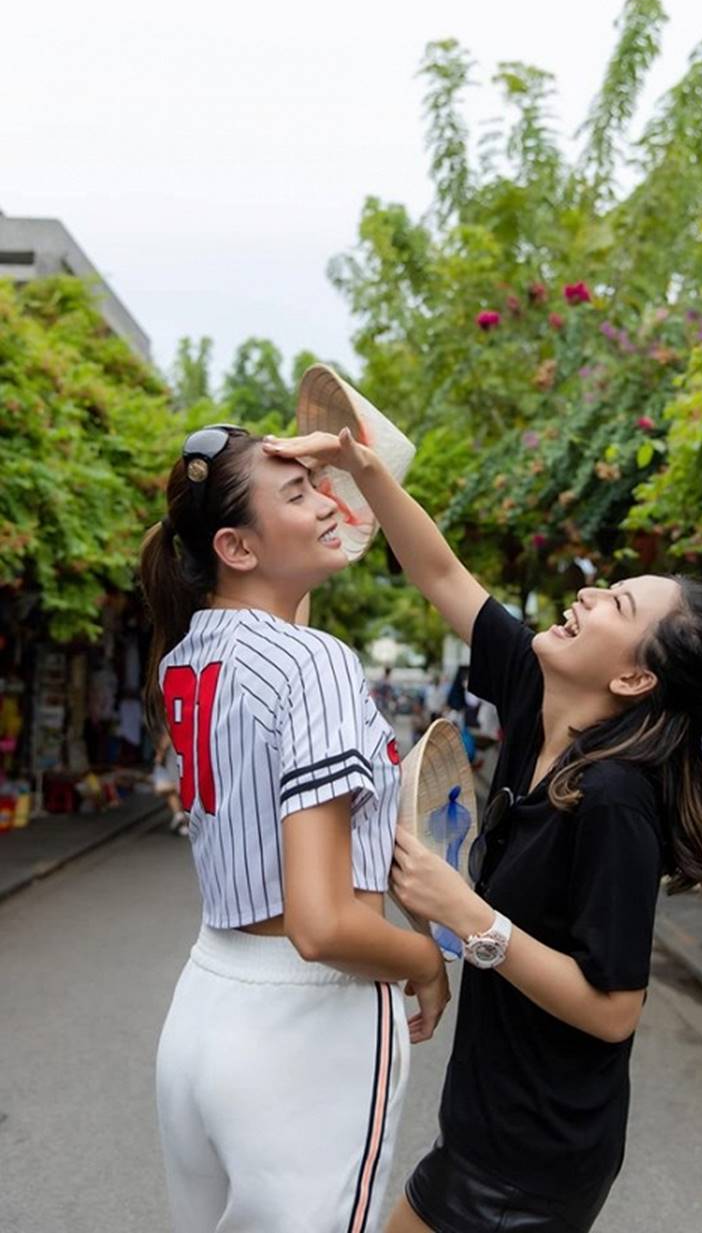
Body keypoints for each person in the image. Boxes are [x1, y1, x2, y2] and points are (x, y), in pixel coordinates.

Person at [263, 427, 702, 1233]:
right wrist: (365, 471)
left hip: (531, 1160)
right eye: (607, 585)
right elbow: (440, 570)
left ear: (633, 677)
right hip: (490, 1124)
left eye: (616, 603)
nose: (589, 594)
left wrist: (467, 913)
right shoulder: (531, 696)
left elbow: (614, 1008)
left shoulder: (616, 797)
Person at [139, 424, 449, 1233]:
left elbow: (278, 599)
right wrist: (429, 960)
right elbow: (322, 924)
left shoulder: (189, 651)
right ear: (237, 546)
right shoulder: (313, 663)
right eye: (300, 492)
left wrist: (308, 473)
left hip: (205, 1006)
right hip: (308, 1024)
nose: (324, 502)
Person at [152, 729, 188, 836]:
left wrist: (160, 754)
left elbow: (169, 731)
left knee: (167, 789)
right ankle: (180, 818)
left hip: (174, 756)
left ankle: (181, 818)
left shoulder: (168, 718)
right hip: (173, 757)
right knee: (171, 792)